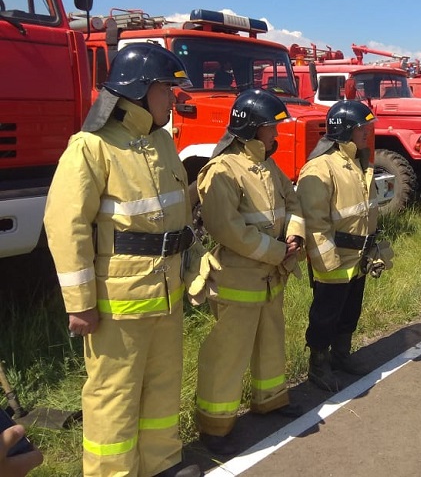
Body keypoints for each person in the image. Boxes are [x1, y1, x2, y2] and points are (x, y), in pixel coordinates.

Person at [43, 43, 202, 477]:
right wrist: (79, 302)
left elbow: (179, 219)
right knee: (114, 395)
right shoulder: (91, 147)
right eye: (167, 89)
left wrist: (192, 269)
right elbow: (65, 223)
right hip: (118, 303)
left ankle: (160, 464)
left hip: (166, 297)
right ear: (138, 90)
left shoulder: (163, 143)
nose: (173, 98)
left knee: (162, 387)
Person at [192, 89, 306, 455]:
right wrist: (277, 252)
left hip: (271, 276)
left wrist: (295, 234)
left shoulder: (267, 165)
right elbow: (228, 229)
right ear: (253, 129)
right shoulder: (222, 170)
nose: (277, 133)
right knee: (229, 352)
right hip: (240, 277)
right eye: (272, 127)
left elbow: (293, 201)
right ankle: (215, 428)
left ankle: (270, 401)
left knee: (270, 340)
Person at [297, 100, 394, 393]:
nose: (367, 132)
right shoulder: (321, 167)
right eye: (362, 128)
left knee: (350, 310)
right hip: (334, 259)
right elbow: (314, 221)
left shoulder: (357, 163)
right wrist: (326, 261)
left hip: (358, 258)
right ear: (345, 131)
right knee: (325, 315)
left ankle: (341, 356)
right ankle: (319, 364)